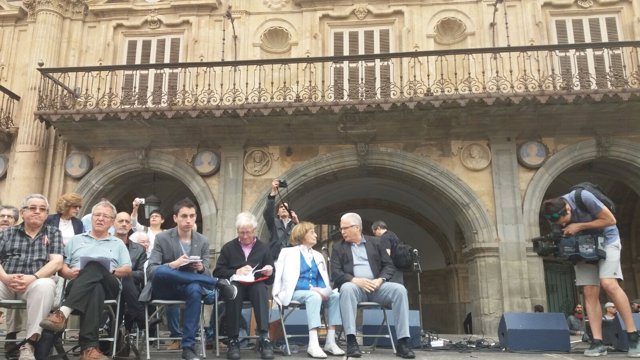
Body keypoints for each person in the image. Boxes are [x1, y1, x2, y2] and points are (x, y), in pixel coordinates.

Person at [543, 191, 639, 357]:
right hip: (582, 246)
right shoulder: (556, 213)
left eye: (564, 220)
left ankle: (633, 337)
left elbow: (611, 220)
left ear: (568, 208)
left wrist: (579, 226)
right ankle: (597, 341)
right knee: (589, 290)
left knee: (608, 283)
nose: (563, 223)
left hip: (608, 240)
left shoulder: (583, 197)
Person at [145, 198, 237, 360]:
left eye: (192, 216)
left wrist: (201, 268)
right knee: (161, 272)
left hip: (188, 288)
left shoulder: (202, 241)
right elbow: (151, 270)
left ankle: (188, 347)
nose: (188, 220)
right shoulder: (162, 238)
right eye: (184, 216)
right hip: (165, 288)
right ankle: (218, 284)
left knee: (195, 288)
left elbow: (207, 270)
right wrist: (174, 264)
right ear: (175, 218)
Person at [40, 200, 131, 360]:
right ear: (91, 217)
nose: (100, 219)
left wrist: (111, 270)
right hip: (77, 283)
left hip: (110, 285)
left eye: (105, 216)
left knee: (95, 265)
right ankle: (89, 349)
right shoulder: (76, 240)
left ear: (111, 221)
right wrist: (68, 272)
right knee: (96, 289)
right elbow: (62, 266)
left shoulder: (118, 243)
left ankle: (63, 312)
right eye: (97, 215)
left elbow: (127, 269)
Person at [331, 212, 415, 359]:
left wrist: (380, 280)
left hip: (377, 287)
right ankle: (351, 340)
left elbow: (389, 266)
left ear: (357, 227)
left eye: (345, 228)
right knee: (346, 288)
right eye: (341, 229)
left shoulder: (376, 243)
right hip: (355, 288)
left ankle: (403, 342)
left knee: (400, 290)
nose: (342, 231)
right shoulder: (338, 247)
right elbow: (336, 273)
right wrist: (354, 280)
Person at [0, 194, 64, 360]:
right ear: (22, 212)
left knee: (45, 285)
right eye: (33, 208)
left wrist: (33, 278)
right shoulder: (7, 233)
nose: (37, 212)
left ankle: (30, 344)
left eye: (42, 209)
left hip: (34, 284)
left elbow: (56, 262)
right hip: (6, 281)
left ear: (46, 214)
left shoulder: (54, 232)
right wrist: (5, 278)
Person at [272, 222, 344, 358]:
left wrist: (325, 290)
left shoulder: (318, 255)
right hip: (294, 292)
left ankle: (330, 341)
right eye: (312, 232)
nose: (316, 235)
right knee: (314, 296)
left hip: (314, 292)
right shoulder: (287, 252)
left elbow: (321, 278)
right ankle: (313, 343)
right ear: (302, 234)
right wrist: (314, 290)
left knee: (336, 296)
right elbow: (286, 280)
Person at [213, 212, 275, 360]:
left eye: (248, 232)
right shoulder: (229, 247)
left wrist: (269, 271)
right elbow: (218, 271)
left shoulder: (263, 248)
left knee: (260, 289)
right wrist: (235, 271)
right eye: (242, 233)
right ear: (237, 232)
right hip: (236, 285)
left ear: (254, 230)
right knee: (233, 291)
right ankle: (233, 340)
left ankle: (263, 338)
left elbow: (270, 279)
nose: (245, 236)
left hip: (255, 285)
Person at [113, 212, 147, 334]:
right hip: (108, 286)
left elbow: (142, 274)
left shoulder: (139, 249)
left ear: (130, 226)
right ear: (113, 223)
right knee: (125, 279)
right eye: (120, 221)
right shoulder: (105, 243)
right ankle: (142, 319)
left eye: (127, 222)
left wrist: (124, 273)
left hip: (131, 288)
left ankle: (117, 334)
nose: (124, 224)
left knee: (126, 278)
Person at [0, 204, 22, 354]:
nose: (5, 219)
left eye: (10, 217)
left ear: (16, 221)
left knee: (18, 283)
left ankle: (11, 336)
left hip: (10, 277)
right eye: (2, 216)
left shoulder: (19, 238)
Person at [263, 179, 298, 260]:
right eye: (281, 207)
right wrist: (273, 193)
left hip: (291, 260)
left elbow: (302, 240)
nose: (284, 208)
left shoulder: (294, 225)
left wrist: (297, 223)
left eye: (286, 207)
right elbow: (268, 212)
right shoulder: (273, 223)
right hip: (276, 259)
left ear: (290, 212)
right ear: (278, 213)